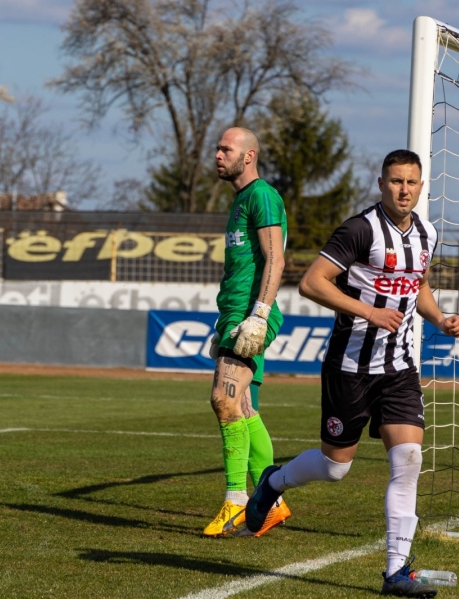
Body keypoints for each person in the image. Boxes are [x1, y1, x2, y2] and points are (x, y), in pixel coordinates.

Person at [244, 149, 459, 597]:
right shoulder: (360, 229)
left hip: (400, 367)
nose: (404, 190)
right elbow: (312, 282)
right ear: (381, 183)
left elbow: (416, 281)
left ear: (422, 187)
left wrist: (439, 319)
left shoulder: (428, 233)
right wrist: (367, 310)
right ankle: (274, 480)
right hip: (350, 367)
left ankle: (396, 571)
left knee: (408, 459)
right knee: (334, 467)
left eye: (412, 182)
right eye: (396, 181)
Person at [202, 127, 291, 538]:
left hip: (250, 315)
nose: (218, 155)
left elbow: (276, 257)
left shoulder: (261, 195)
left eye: (226, 149)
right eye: (218, 149)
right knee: (244, 411)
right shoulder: (239, 200)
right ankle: (270, 503)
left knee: (223, 400)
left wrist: (258, 314)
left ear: (249, 155)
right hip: (233, 316)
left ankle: (236, 501)